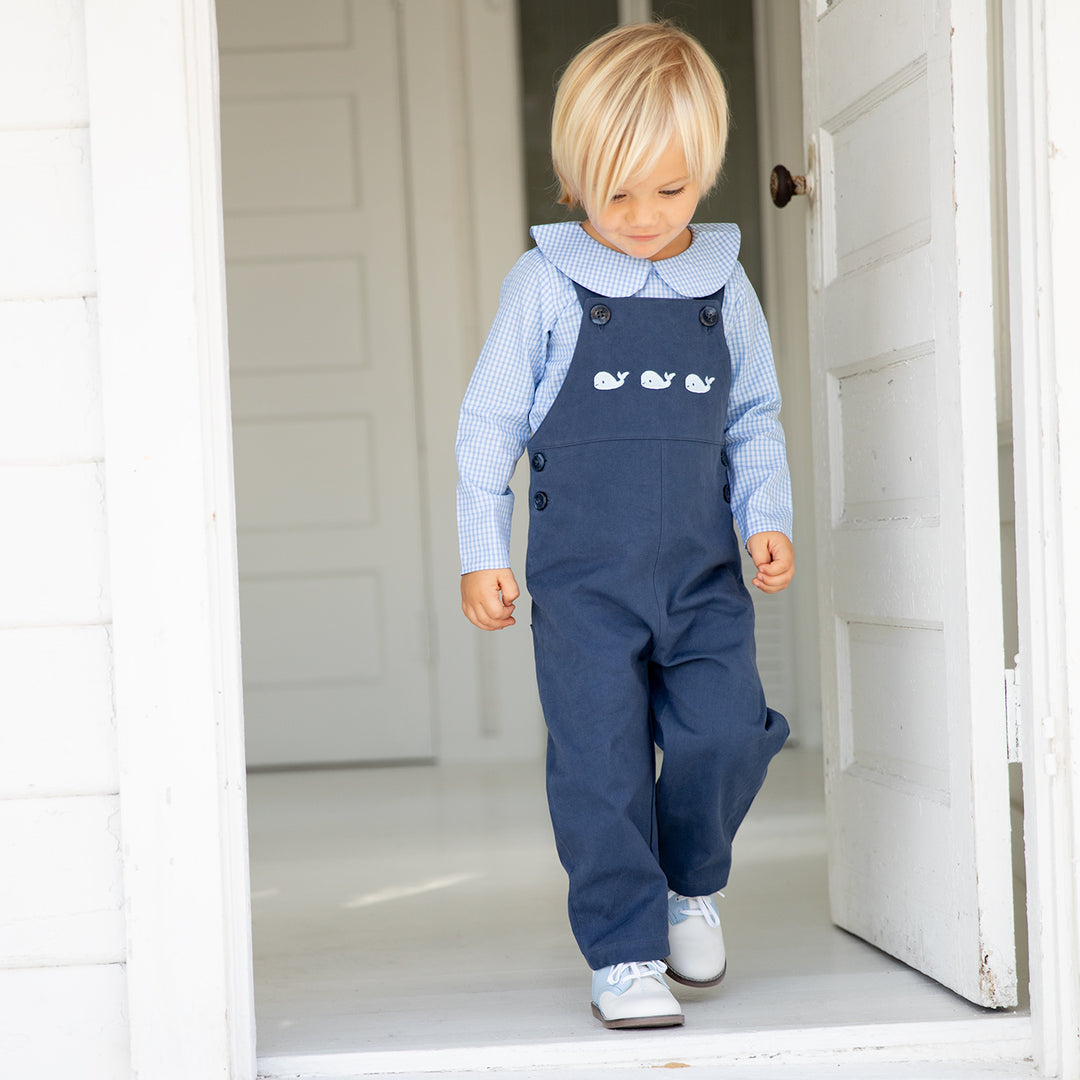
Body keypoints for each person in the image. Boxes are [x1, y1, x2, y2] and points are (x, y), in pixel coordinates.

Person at [455, 20, 794, 1030]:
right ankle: (624, 949)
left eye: (673, 190)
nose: (646, 219)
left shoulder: (723, 288)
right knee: (600, 766)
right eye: (618, 195)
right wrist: (483, 549)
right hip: (584, 589)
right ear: (573, 179)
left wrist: (764, 516)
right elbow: (490, 421)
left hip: (701, 580)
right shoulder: (547, 287)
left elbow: (753, 416)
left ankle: (691, 882)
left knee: (727, 732)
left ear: (706, 175)